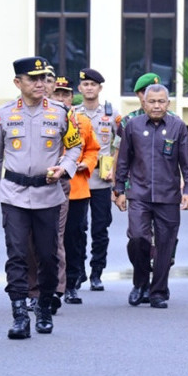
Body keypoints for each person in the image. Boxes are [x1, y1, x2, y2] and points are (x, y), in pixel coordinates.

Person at [0, 56, 81, 339]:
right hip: (14, 196)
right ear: (18, 82)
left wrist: (65, 168)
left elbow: (75, 147)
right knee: (17, 255)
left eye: (43, 78)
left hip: (49, 195)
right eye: (32, 79)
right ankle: (20, 315)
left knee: (48, 257)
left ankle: (45, 308)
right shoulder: (4, 114)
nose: (40, 84)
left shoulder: (62, 113)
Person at [115, 84, 188, 308]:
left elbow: (187, 163)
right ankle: (140, 283)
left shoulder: (178, 127)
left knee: (165, 244)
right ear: (144, 102)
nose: (157, 106)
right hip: (139, 194)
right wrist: (119, 189)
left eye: (161, 101)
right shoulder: (132, 126)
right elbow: (123, 160)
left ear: (168, 104)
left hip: (168, 196)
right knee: (138, 238)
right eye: (152, 101)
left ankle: (158, 291)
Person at [74, 68, 121, 291]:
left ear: (100, 88)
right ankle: (79, 270)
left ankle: (97, 272)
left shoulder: (111, 114)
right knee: (78, 227)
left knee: (100, 229)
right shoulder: (74, 113)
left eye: (94, 84)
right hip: (80, 178)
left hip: (102, 179)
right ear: (80, 88)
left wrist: (115, 169)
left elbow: (122, 143)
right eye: (86, 84)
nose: (89, 88)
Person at [56, 77, 100, 305]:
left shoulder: (82, 121)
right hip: (50, 188)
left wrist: (87, 163)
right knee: (51, 239)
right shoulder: (46, 119)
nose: (61, 98)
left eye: (66, 94)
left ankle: (72, 283)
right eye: (57, 94)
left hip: (77, 189)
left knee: (75, 237)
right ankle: (53, 283)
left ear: (72, 97)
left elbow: (93, 149)